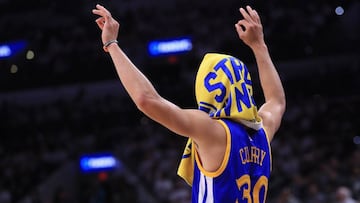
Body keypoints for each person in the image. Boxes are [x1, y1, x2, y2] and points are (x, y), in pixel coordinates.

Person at [92, 3, 285, 203]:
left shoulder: (213, 130)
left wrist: (111, 44)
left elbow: (146, 100)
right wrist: (259, 46)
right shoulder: (262, 131)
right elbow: (276, 101)